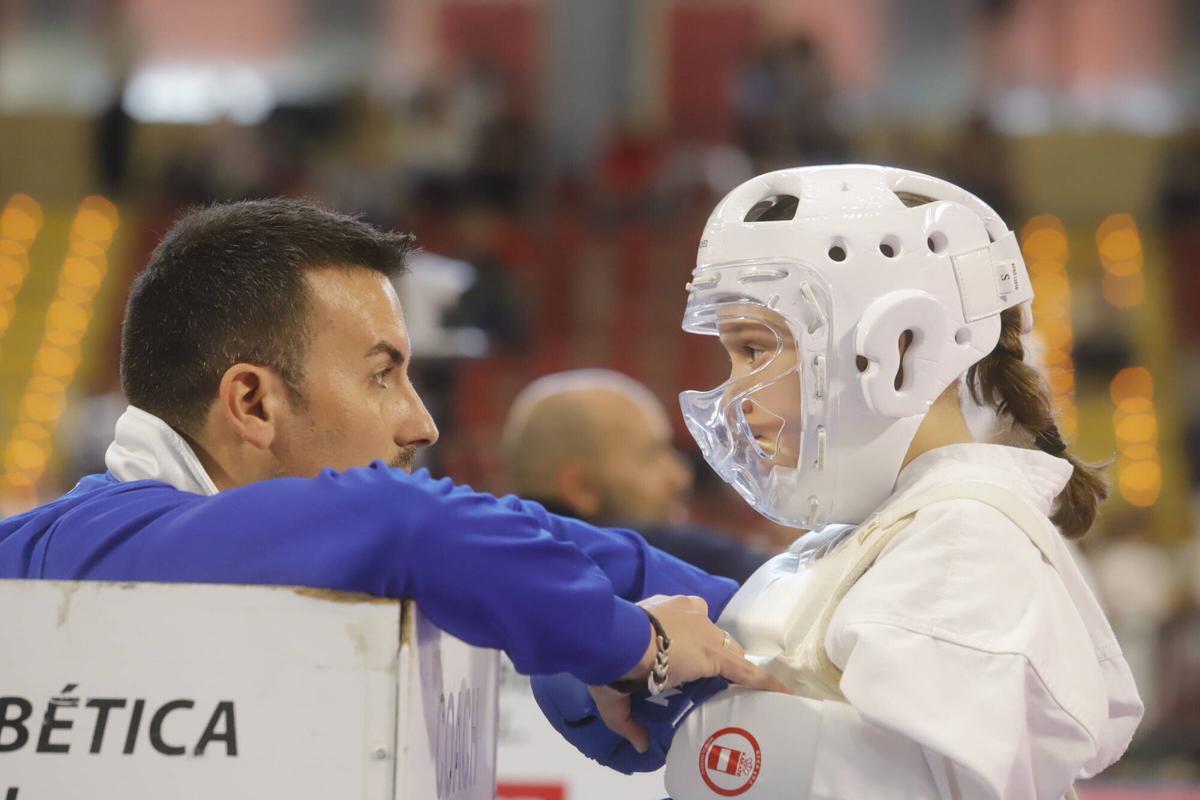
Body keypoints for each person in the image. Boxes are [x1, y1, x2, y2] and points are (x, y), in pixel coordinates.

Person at [0, 199, 787, 752]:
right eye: (382, 375)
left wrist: (783, 615)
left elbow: (521, 530)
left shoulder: (229, 550)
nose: (424, 423)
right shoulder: (82, 546)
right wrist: (635, 646)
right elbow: (410, 522)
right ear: (252, 403)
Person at [538, 165, 1143, 798]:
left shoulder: (964, 548)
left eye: (754, 350)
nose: (737, 392)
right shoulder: (884, 536)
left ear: (899, 348)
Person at [501, 369, 770, 582]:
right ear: (580, 487)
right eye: (651, 456)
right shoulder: (649, 556)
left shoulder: (504, 557)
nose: (681, 476)